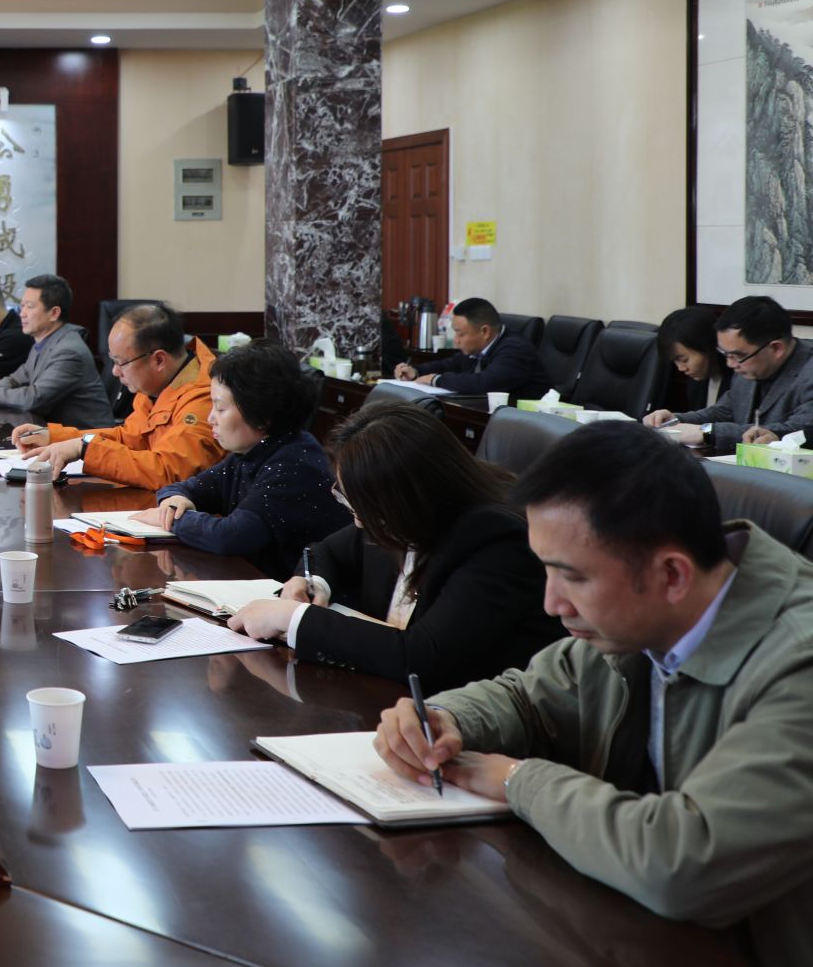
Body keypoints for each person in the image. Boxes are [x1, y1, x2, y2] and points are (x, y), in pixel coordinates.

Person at [374, 422, 813, 958]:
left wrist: (517, 780)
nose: (551, 604)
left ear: (672, 575)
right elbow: (527, 696)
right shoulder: (643, 618)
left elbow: (683, 863)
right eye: (546, 572)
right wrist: (444, 719)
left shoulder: (799, 664)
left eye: (573, 577)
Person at [226, 404, 562, 688]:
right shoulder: (398, 514)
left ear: (403, 497)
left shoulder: (497, 539)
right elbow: (325, 552)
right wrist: (311, 583)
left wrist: (296, 619)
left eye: (361, 506)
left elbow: (422, 656)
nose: (359, 521)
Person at [142, 340, 347, 578]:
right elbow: (184, 488)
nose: (210, 419)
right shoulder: (251, 453)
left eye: (220, 409)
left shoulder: (295, 463)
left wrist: (172, 520)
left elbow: (231, 536)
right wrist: (174, 501)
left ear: (261, 414)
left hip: (298, 594)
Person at [10, 302, 223, 491]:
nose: (114, 371)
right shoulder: (157, 386)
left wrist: (84, 449)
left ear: (159, 360)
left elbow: (167, 471)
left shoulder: (205, 400)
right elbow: (130, 438)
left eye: (121, 362)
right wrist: (57, 438)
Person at [645, 295, 813, 447]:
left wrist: (707, 433)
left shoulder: (808, 373)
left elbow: (796, 431)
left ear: (776, 348)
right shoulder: (747, 364)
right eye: (726, 354)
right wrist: (675, 420)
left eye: (737, 355)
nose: (730, 363)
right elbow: (724, 411)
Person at [0, 274, 112, 429]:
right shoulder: (43, 342)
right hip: (56, 435)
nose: (22, 313)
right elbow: (16, 380)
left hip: (86, 438)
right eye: (22, 305)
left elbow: (34, 399)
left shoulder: (68, 351)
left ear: (54, 313)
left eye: (30, 307)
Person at [392, 297, 551, 400]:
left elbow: (485, 383)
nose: (456, 340)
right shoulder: (479, 348)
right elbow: (449, 364)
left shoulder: (516, 350)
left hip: (531, 423)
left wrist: (436, 380)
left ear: (485, 331)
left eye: (460, 334)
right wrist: (416, 371)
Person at [656, 305, 728, 415]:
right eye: (675, 361)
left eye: (684, 360)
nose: (681, 368)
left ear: (708, 347)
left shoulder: (737, 380)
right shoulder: (696, 382)